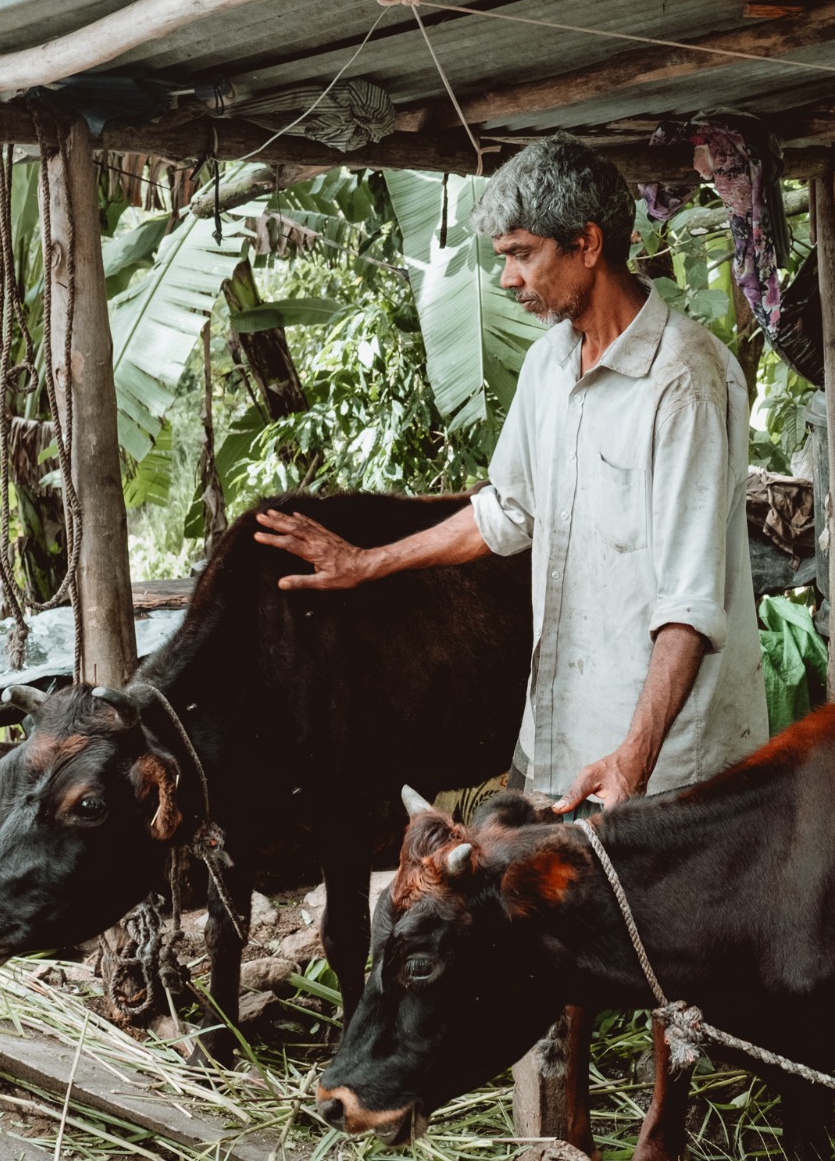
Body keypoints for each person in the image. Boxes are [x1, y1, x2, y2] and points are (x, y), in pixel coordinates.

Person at [254, 133, 767, 816]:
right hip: (558, 730)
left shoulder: (683, 379)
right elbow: (508, 512)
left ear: (586, 243)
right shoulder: (549, 364)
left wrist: (634, 758)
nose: (507, 279)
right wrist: (365, 563)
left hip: (661, 761)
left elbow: (688, 603)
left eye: (522, 254)